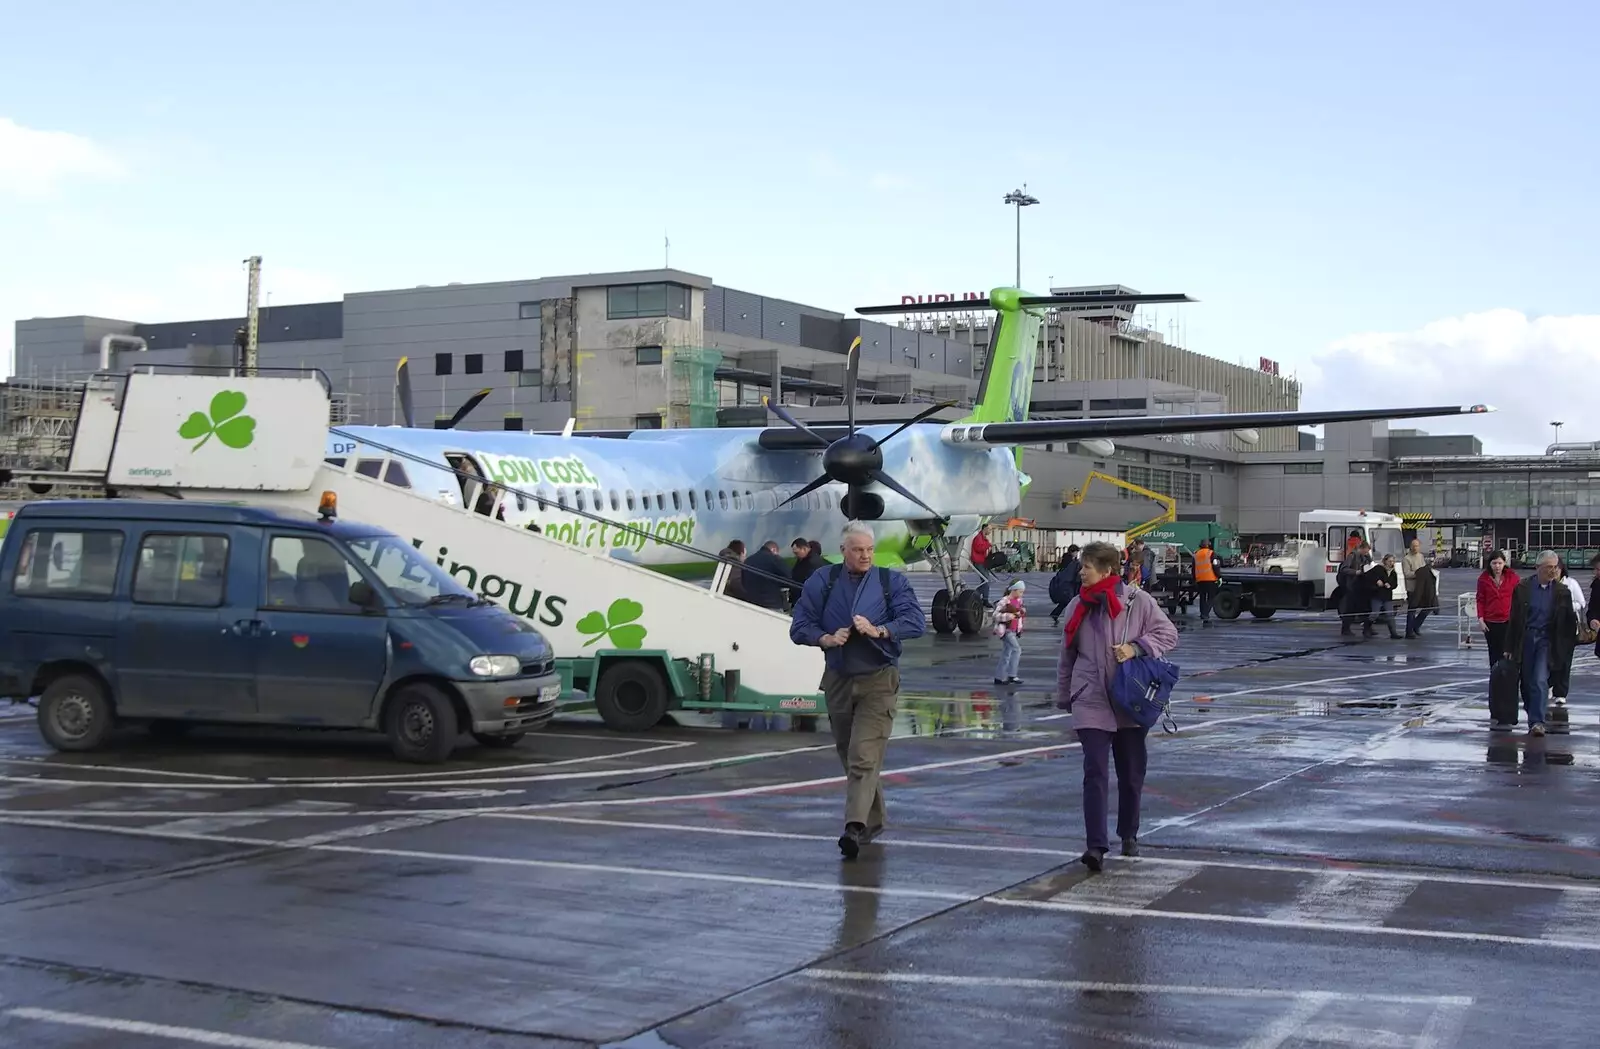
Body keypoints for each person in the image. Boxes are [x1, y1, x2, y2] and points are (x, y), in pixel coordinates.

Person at [790, 520, 927, 859]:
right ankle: (873, 818)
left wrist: (880, 630)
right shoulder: (823, 580)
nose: (865, 555)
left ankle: (854, 828)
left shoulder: (890, 581)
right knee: (849, 754)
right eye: (858, 550)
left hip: (879, 680)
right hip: (838, 677)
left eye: (869, 549)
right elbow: (799, 625)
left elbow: (915, 622)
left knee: (863, 756)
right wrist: (824, 638)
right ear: (843, 552)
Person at [1054, 541, 1180, 872]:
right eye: (1082, 566)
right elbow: (1066, 655)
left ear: (1107, 570)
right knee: (1094, 770)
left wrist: (1137, 648)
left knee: (1131, 772)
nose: (1082, 572)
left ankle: (1129, 834)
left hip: (1130, 699)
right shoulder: (1075, 607)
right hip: (1090, 697)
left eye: (1088, 567)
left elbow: (1169, 635)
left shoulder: (1138, 601)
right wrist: (1065, 694)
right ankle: (1096, 844)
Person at [1503, 551, 1575, 736]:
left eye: (1555, 567)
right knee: (1527, 682)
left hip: (1547, 641)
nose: (1553, 571)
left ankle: (1537, 722)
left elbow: (1568, 622)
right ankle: (1532, 713)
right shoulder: (1523, 588)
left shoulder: (1561, 592)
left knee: (1539, 679)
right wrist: (1509, 647)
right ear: (1538, 568)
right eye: (1549, 567)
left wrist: (1566, 648)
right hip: (1526, 639)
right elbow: (1515, 618)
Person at [1476, 550, 1517, 667]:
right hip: (1490, 623)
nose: (1497, 566)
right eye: (1494, 563)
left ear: (1504, 563)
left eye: (1499, 563)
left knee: (1508, 653)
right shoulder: (1483, 579)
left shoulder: (1512, 577)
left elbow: (1519, 597)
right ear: (1489, 564)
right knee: (1494, 654)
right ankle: (1495, 680)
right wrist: (1481, 619)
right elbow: (1480, 600)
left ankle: (1507, 679)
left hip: (1508, 621)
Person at [739, 540, 792, 611]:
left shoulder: (748, 561)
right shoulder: (774, 559)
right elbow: (789, 577)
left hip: (751, 604)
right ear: (774, 549)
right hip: (772, 604)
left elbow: (743, 581)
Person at [993, 580, 1026, 685]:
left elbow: (1018, 615)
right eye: (1020, 591)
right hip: (1006, 630)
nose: (1022, 594)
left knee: (1007, 652)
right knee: (1016, 650)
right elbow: (995, 615)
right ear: (1014, 590)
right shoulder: (1004, 601)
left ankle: (1000, 677)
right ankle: (1011, 675)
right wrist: (1008, 616)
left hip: (1012, 630)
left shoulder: (1019, 601)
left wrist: (1021, 614)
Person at [1337, 540, 1373, 636]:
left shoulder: (1366, 557)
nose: (1367, 553)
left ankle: (1367, 629)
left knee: (1365, 609)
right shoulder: (1352, 556)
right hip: (1352, 586)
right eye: (1366, 551)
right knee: (1350, 609)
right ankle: (1345, 629)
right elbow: (1344, 569)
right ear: (1361, 548)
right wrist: (1355, 572)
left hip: (1362, 586)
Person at [1365, 553, 1403, 639]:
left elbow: (1395, 584)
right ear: (1385, 561)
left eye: (1393, 561)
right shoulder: (1378, 569)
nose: (1391, 563)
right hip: (1377, 595)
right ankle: (1366, 628)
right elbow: (1367, 576)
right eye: (1389, 561)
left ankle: (1393, 633)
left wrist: (1390, 585)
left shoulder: (1393, 573)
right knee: (1375, 614)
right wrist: (1377, 581)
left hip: (1387, 596)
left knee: (1390, 615)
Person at [1048, 545, 1082, 626]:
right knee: (1069, 601)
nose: (1076, 553)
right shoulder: (1070, 560)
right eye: (1076, 552)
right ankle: (1071, 617)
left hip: (1066, 583)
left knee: (1066, 601)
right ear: (1073, 551)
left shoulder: (1068, 560)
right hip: (1067, 584)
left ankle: (1055, 614)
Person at [1192, 539, 1219, 624]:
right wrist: (1219, 576)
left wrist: (1194, 579)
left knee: (1202, 597)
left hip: (1200, 579)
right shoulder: (1211, 553)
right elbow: (1215, 565)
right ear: (1209, 545)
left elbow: (1193, 568)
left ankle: (1202, 613)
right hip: (1211, 579)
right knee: (1211, 597)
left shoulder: (1196, 554)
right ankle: (1205, 614)